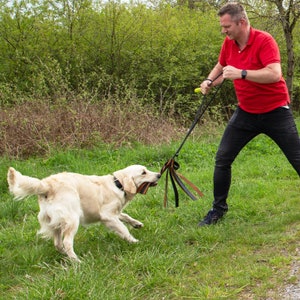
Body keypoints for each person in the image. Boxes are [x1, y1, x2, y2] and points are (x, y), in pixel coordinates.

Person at [198, 2, 300, 226]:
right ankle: (218, 210)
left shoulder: (265, 40)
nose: (224, 31)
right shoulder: (229, 43)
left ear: (241, 22)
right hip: (246, 113)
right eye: (222, 27)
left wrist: (242, 73)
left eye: (227, 26)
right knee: (223, 158)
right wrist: (208, 81)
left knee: (297, 158)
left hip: (275, 111)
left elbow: (274, 74)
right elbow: (221, 66)